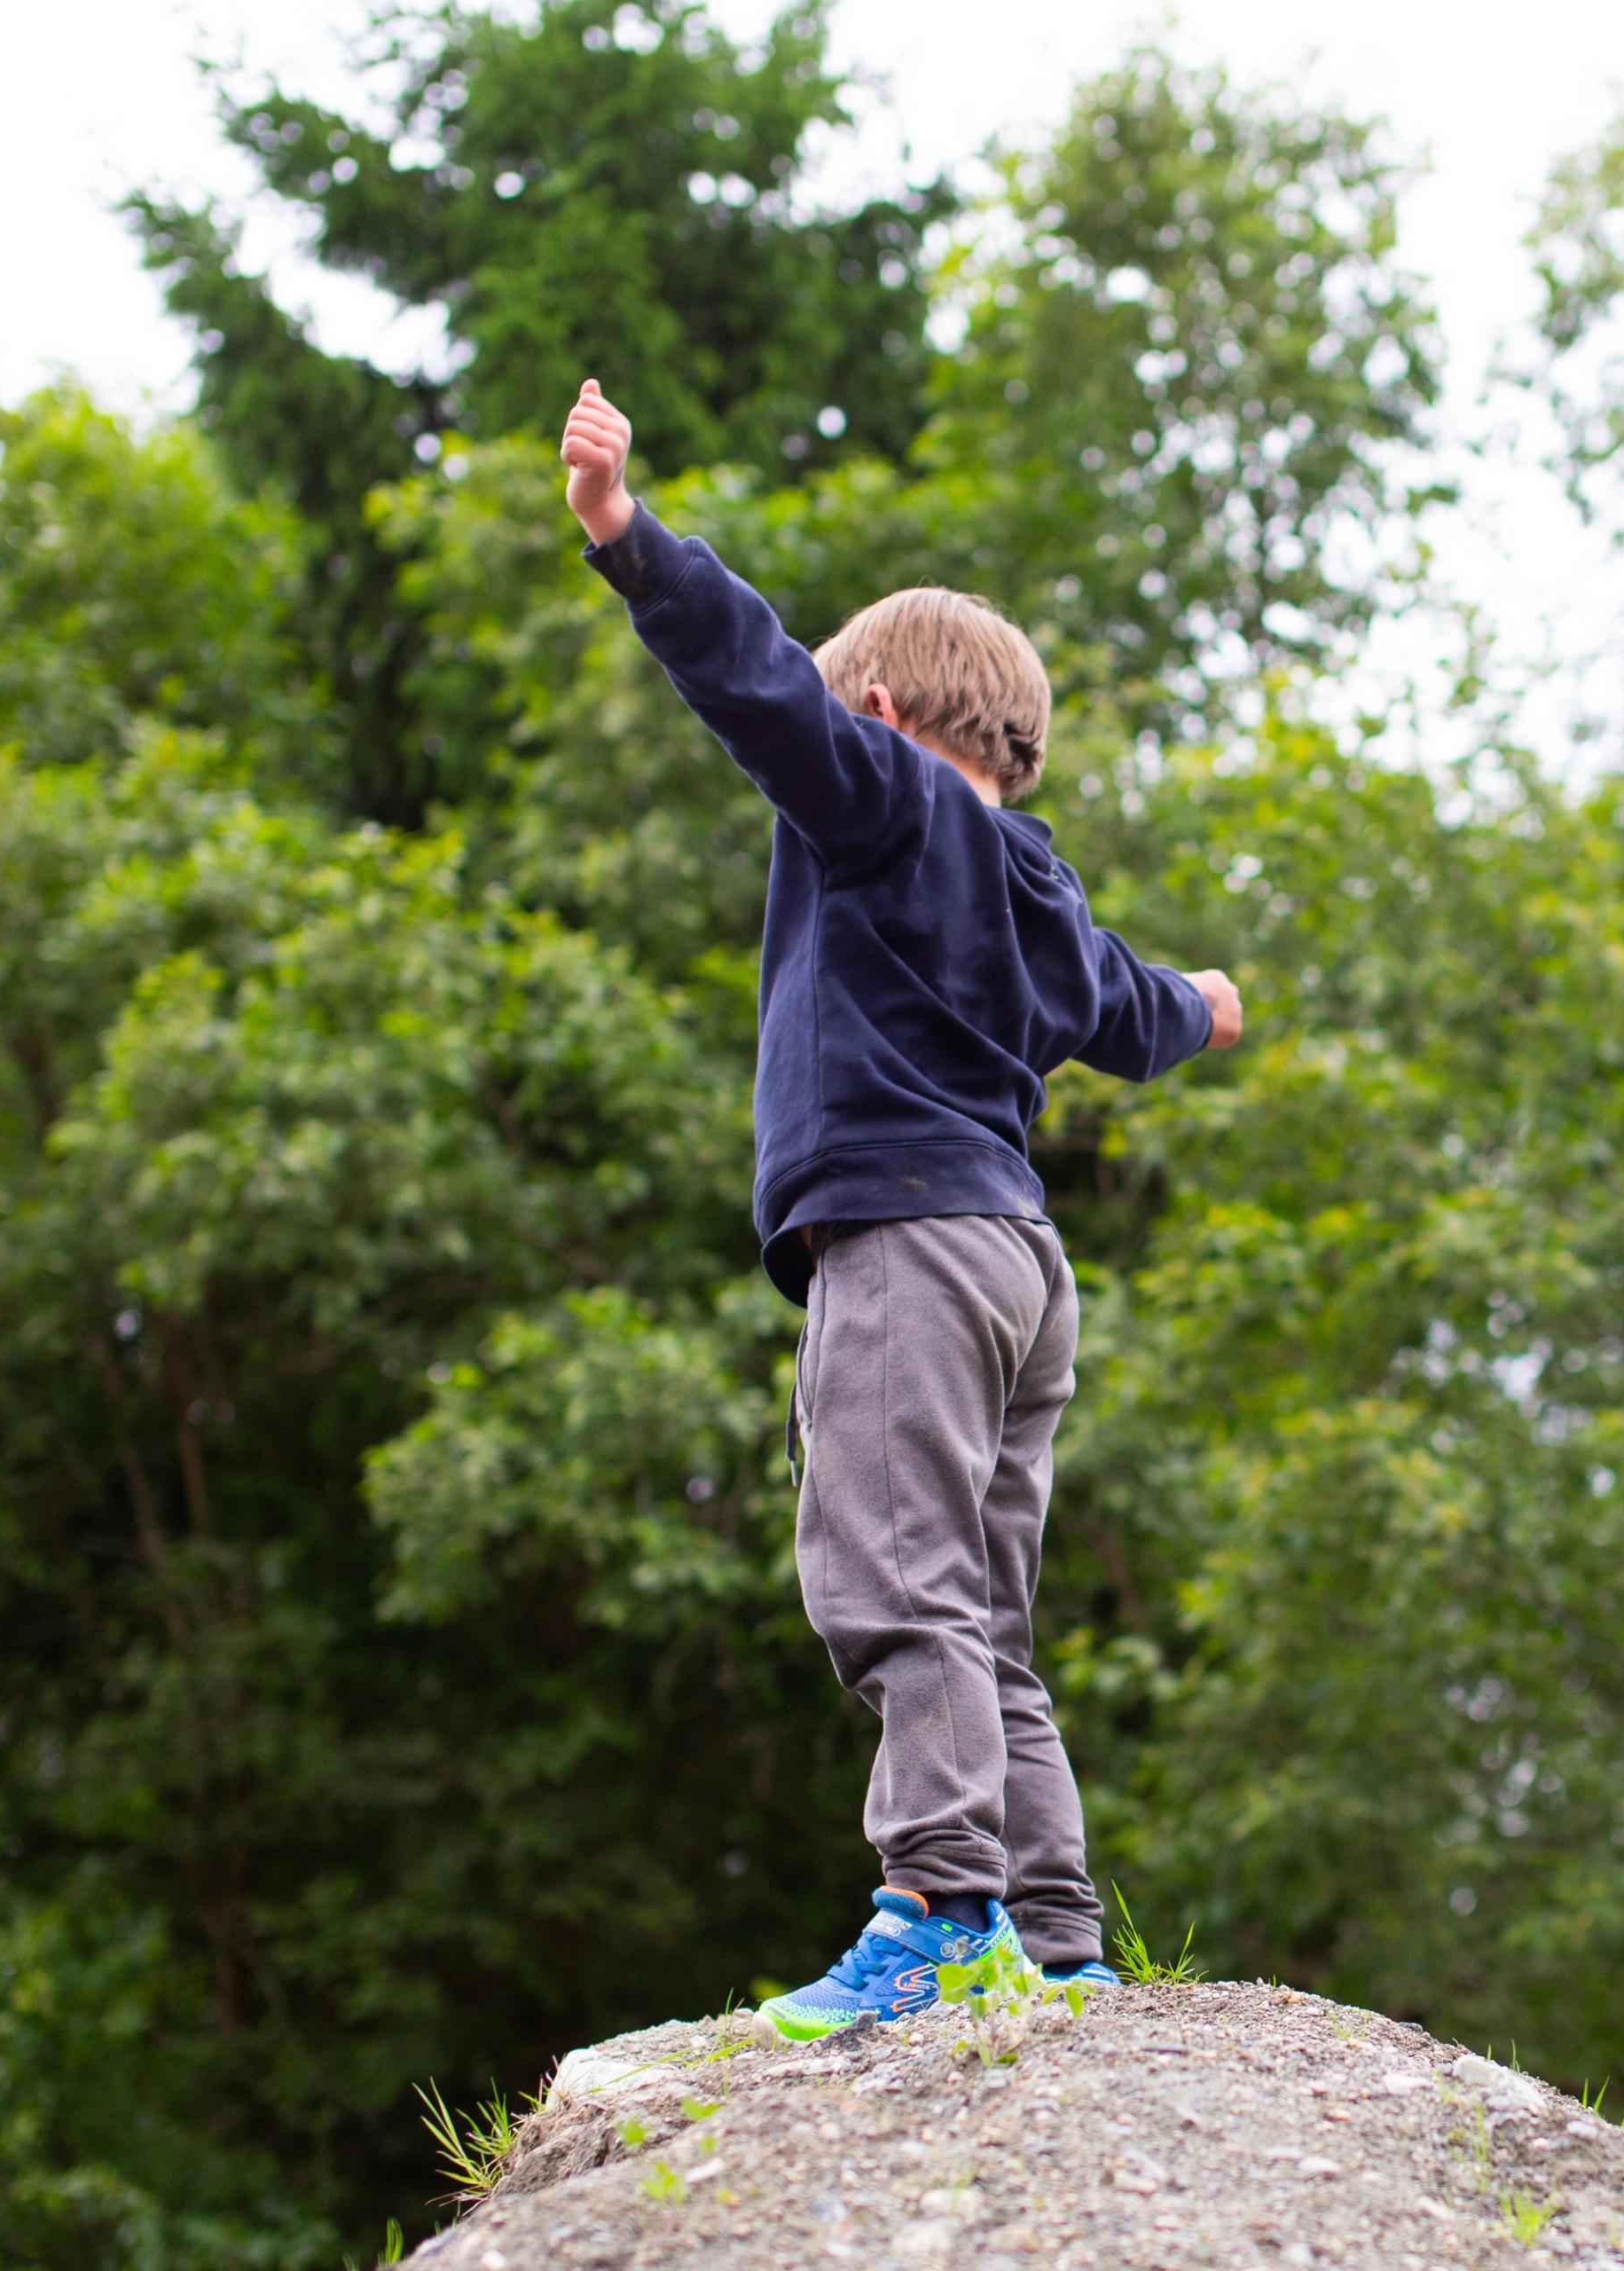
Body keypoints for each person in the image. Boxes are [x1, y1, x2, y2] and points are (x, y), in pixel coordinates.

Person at [559, 379, 1243, 2040]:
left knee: (887, 1575)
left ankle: (940, 1911)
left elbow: (753, 685)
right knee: (984, 1605)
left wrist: (628, 541)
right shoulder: (1046, 895)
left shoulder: (875, 798)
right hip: (1022, 1267)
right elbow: (1132, 1011)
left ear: (872, 707)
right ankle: (1057, 1936)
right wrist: (1208, 1007)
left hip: (906, 1245)